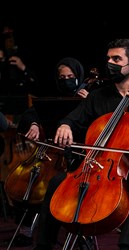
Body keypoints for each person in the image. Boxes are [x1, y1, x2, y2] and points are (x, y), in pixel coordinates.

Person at [32, 38, 129, 250]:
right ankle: (43, 245)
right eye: (108, 58)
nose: (110, 63)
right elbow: (73, 119)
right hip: (96, 167)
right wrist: (65, 125)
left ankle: (128, 246)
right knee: (58, 182)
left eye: (116, 59)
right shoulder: (97, 97)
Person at [0, 57, 90, 248]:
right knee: (32, 182)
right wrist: (33, 123)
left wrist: (87, 103)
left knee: (58, 186)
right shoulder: (54, 96)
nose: (66, 80)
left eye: (71, 77)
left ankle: (79, 234)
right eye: (62, 77)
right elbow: (32, 112)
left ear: (78, 76)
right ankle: (26, 231)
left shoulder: (90, 97)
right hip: (52, 153)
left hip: (78, 155)